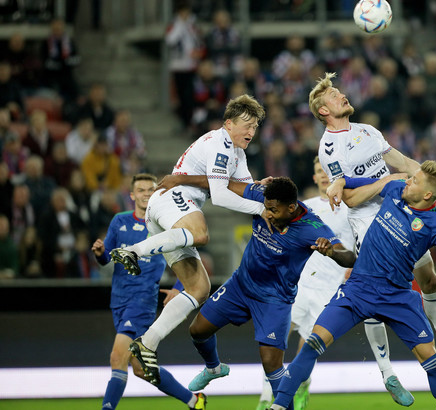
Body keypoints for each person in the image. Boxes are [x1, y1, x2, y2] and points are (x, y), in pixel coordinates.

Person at [308, 72, 436, 405]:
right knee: (372, 293)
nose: (342, 95)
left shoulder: (368, 131)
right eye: (335, 95)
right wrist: (388, 182)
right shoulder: (329, 149)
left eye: (341, 91)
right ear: (323, 110)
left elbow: (404, 163)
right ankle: (388, 374)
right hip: (368, 220)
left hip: (398, 208)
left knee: (428, 276)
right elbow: (352, 199)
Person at [270, 160, 436, 410]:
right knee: (312, 344)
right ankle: (277, 406)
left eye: (415, 180)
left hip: (397, 297)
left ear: (428, 194)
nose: (408, 180)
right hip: (358, 290)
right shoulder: (396, 189)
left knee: (432, 365)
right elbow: (360, 183)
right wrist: (341, 181)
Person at [110, 94, 267, 385]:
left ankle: (148, 343)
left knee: (199, 288)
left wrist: (261, 188)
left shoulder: (237, 154)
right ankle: (133, 250)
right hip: (175, 200)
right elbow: (220, 195)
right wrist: (261, 209)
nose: (251, 132)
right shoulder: (220, 144)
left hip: (167, 216)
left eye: (255, 126)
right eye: (246, 124)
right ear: (228, 123)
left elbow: (244, 188)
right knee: (201, 234)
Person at [158, 175, 355, 406]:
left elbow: (349, 257)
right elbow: (221, 183)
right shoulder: (260, 196)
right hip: (240, 285)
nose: (267, 213)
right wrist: (180, 179)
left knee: (272, 367)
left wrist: (331, 252)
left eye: (273, 210)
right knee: (197, 330)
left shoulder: (312, 227)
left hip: (275, 300)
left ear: (291, 208)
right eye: (266, 208)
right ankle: (213, 368)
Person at [92, 173, 206, 410]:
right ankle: (194, 401)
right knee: (141, 369)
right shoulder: (119, 221)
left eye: (149, 190)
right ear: (132, 195)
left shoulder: (164, 224)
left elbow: (187, 259)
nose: (145, 194)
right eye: (141, 190)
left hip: (142, 300)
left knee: (117, 357)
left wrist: (179, 287)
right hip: (119, 299)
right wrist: (100, 253)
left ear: (156, 194)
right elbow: (106, 260)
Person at [257, 157, 355, 410]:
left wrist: (353, 268)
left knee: (308, 345)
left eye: (326, 171)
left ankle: (302, 385)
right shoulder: (304, 209)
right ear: (313, 178)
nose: (322, 175)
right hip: (297, 286)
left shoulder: (351, 210)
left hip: (328, 290)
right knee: (273, 338)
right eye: (317, 172)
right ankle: (266, 397)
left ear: (336, 176)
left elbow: (356, 249)